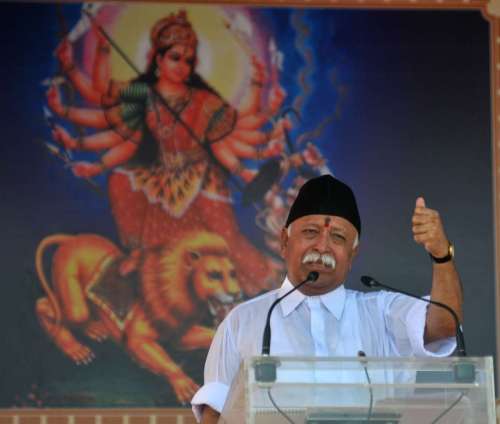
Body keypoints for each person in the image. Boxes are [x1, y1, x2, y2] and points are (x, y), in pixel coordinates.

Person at [47, 10, 289, 294]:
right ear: (158, 58)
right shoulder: (141, 93)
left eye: (189, 60)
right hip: (154, 177)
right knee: (121, 181)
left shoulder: (204, 100)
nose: (183, 66)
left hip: (198, 175)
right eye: (175, 57)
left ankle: (257, 286)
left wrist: (259, 84)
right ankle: (143, 260)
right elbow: (102, 96)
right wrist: (97, 52)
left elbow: (240, 125)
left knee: (224, 235)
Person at [191, 174, 463, 423]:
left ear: (353, 254)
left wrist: (441, 255)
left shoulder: (382, 312)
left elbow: (444, 326)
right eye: (311, 232)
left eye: (338, 237)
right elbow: (214, 410)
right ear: (284, 241)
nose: (322, 246)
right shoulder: (243, 321)